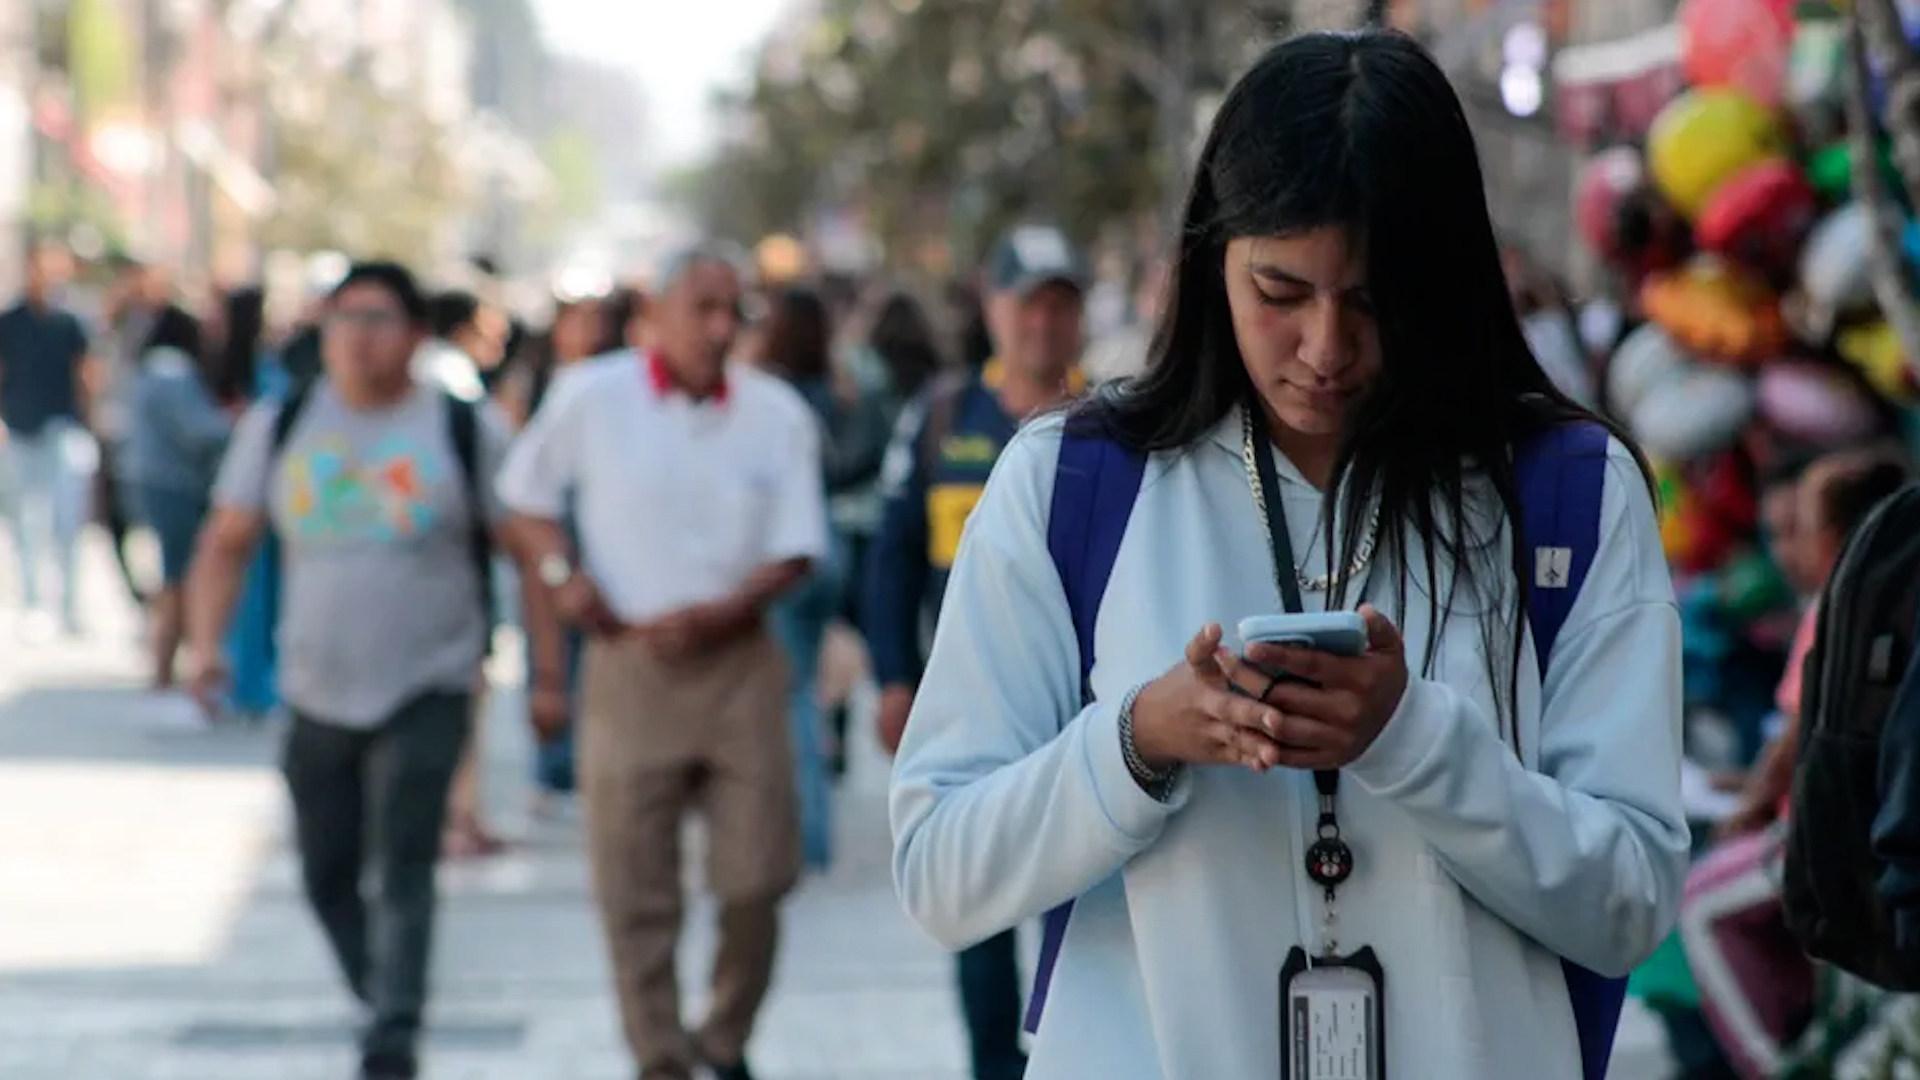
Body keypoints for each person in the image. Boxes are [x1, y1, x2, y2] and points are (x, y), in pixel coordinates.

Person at [889, 32, 1689, 1080]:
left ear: (1447, 281)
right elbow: (941, 872)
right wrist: (1134, 742)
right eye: (1279, 292)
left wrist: (1412, 740)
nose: (1324, 348)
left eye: (1371, 301)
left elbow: (1629, 900)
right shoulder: (1072, 484)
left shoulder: (1567, 494)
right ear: (1209, 258)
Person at [185, 261, 542, 1080]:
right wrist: (204, 649)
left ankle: (395, 1036)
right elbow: (227, 539)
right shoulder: (283, 422)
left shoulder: (463, 427)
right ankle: (379, 990)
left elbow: (526, 546)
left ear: (416, 336)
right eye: (343, 319)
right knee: (326, 872)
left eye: (378, 319)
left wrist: (548, 670)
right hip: (313, 686)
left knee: (407, 861)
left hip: (430, 679)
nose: (358, 337)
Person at [497, 242, 827, 1080]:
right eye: (703, 308)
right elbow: (523, 500)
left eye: (734, 311)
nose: (720, 329)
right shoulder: (590, 396)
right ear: (657, 315)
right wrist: (568, 585)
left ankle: (722, 1039)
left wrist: (726, 609)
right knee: (632, 885)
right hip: (628, 663)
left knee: (759, 875)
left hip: (740, 662)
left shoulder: (773, 411)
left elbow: (798, 548)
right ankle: (660, 1059)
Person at [867, 223, 1090, 1080]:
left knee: (1076, 898)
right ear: (994, 309)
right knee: (980, 897)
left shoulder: (1113, 422)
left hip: (1082, 711)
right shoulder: (943, 417)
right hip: (973, 708)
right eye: (1028, 304)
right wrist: (893, 678)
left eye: (1061, 306)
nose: (1044, 324)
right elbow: (890, 559)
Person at [1680, 447, 1911, 1080]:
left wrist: (1752, 802)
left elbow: (1797, 739)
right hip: (1853, 838)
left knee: (1699, 905)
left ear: (1836, 536)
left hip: (1824, 841)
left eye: (1797, 531)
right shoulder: (1879, 598)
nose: (1785, 550)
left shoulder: (1839, 607)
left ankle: (1780, 1069)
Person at [124, 304, 232, 691]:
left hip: (154, 480)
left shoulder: (153, 367)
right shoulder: (172, 370)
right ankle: (165, 666)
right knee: (179, 573)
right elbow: (199, 429)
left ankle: (163, 664)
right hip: (173, 483)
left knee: (173, 572)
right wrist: (239, 421)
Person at [0, 244, 95, 637]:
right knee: (25, 521)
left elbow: (86, 374)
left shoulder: (71, 322)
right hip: (20, 429)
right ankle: (34, 603)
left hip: (62, 427)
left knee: (67, 522)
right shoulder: (11, 321)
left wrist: (90, 423)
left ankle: (69, 606)